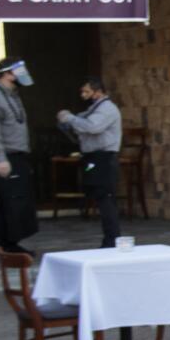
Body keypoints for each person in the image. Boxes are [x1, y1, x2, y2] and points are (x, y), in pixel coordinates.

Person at [0, 58, 39, 254]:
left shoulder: (13, 95)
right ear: (6, 74)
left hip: (18, 155)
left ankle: (9, 243)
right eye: (17, 72)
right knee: (8, 201)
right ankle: (5, 246)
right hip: (4, 157)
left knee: (14, 201)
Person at [57, 77, 124, 248]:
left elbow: (93, 127)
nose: (83, 95)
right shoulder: (93, 109)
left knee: (106, 200)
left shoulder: (107, 109)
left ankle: (112, 241)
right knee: (100, 198)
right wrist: (69, 122)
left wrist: (70, 118)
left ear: (98, 91)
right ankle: (109, 239)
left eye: (87, 91)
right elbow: (82, 124)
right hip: (94, 157)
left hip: (104, 158)